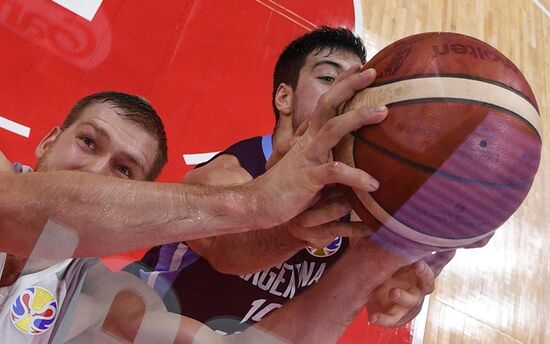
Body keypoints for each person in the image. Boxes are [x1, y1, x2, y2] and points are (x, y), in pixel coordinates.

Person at [0, 66, 399, 341]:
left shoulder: (101, 297)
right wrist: (253, 203)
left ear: (133, 198)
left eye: (124, 172)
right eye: (88, 141)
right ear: (49, 141)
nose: (94, 173)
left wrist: (385, 255)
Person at [132, 26, 440, 333]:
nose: (345, 96)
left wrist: (396, 292)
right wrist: (293, 232)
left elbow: (376, 302)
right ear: (284, 97)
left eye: (356, 88)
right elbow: (225, 251)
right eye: (329, 79)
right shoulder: (228, 173)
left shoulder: (354, 195)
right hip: (135, 331)